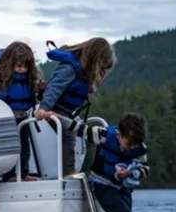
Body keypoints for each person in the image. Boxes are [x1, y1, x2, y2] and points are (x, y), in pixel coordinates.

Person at [34, 37, 117, 174]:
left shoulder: (81, 70)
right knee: (68, 135)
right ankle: (69, 174)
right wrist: (43, 108)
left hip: (68, 112)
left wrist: (87, 88)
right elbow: (54, 88)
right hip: (55, 109)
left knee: (86, 134)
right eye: (100, 66)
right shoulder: (70, 68)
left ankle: (89, 172)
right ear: (94, 59)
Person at [0, 41, 43, 180]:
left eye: (25, 66)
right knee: (10, 147)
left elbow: (37, 94)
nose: (22, 69)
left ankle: (23, 173)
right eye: (19, 66)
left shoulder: (32, 76)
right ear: (10, 63)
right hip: (6, 117)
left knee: (24, 147)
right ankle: (9, 175)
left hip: (24, 117)